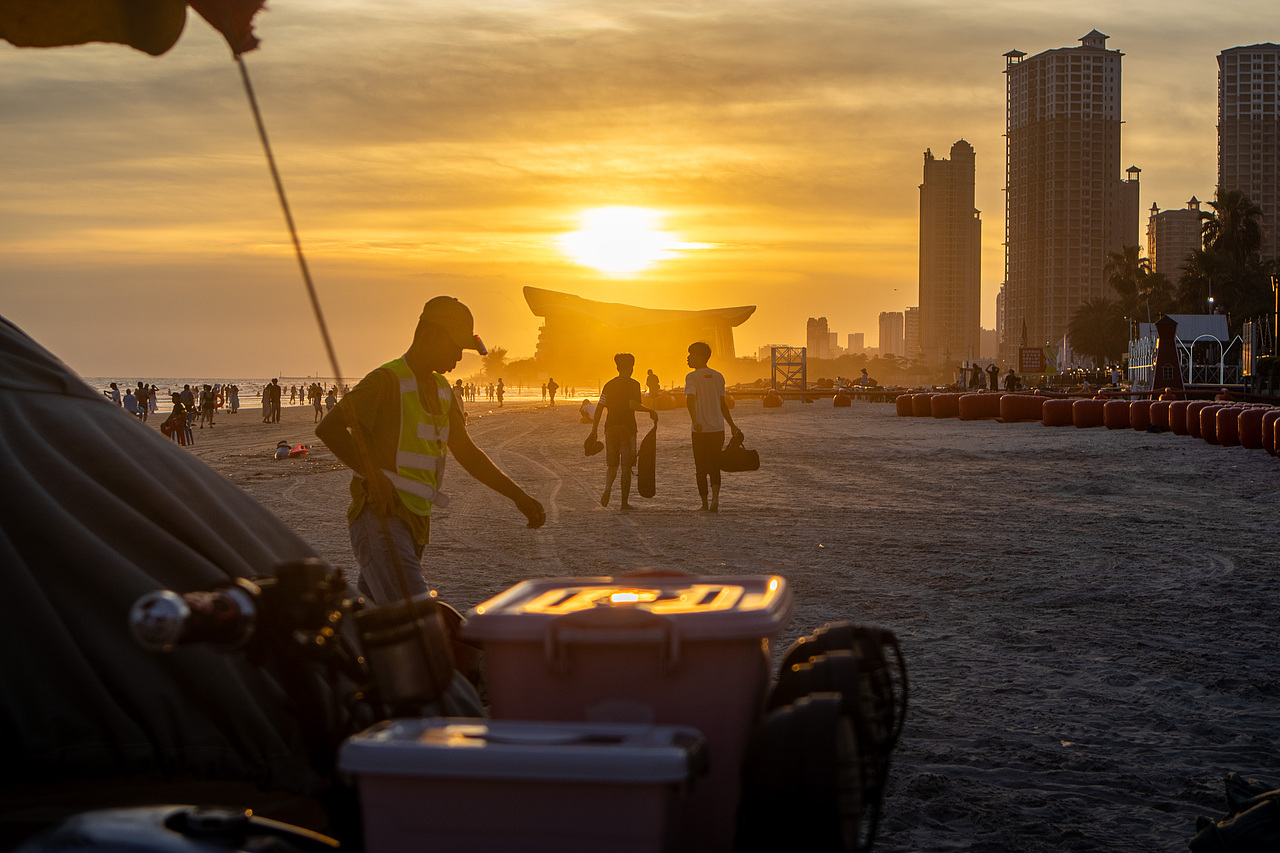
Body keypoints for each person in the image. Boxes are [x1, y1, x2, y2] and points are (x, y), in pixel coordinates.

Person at [315, 295, 546, 605]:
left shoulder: (442, 389)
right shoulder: (385, 381)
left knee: (371, 619)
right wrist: (371, 475)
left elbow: (467, 452)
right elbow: (329, 428)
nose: (460, 358)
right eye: (456, 347)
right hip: (382, 518)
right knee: (416, 614)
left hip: (416, 520)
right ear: (430, 336)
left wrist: (518, 495)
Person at [590, 353, 658, 511]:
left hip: (610, 428)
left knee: (612, 465)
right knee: (626, 468)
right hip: (627, 428)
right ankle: (624, 503)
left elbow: (600, 407)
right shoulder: (634, 384)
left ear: (617, 367)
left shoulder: (609, 384)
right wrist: (649, 411)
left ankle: (607, 488)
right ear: (631, 367)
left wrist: (594, 431)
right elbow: (632, 405)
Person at [685, 341, 742, 512]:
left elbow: (689, 400)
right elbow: (723, 404)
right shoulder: (718, 376)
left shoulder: (692, 377)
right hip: (718, 428)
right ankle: (715, 499)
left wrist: (695, 420)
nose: (687, 358)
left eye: (691, 354)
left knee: (700, 467)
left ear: (700, 356)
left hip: (700, 430)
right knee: (714, 464)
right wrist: (731, 425)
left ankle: (704, 503)